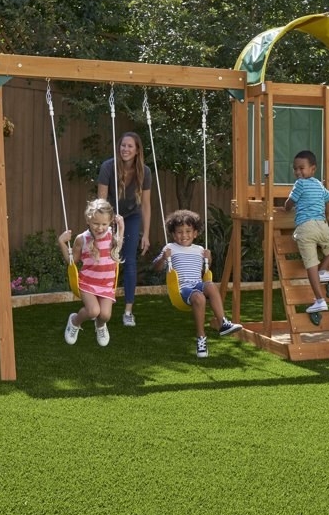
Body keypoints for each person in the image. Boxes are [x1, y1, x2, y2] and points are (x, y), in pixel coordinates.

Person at [153, 209, 243, 358]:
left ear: (195, 233)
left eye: (188, 231)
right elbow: (156, 268)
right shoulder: (170, 248)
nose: (184, 235)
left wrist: (209, 258)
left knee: (210, 285)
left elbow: (205, 269)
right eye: (180, 232)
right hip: (182, 289)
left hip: (198, 283)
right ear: (174, 234)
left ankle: (223, 322)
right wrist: (163, 258)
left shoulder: (200, 250)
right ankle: (201, 338)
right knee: (199, 297)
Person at [98, 131, 151, 328]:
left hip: (132, 216)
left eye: (130, 146)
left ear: (137, 151)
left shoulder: (144, 171)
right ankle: (101, 306)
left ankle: (128, 311)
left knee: (129, 261)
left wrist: (145, 233)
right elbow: (101, 201)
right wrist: (103, 227)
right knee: (107, 259)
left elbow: (145, 205)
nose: (125, 149)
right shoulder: (108, 167)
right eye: (123, 145)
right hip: (109, 215)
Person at [58, 199, 124, 347]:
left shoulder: (112, 235)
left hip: (106, 283)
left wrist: (122, 227)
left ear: (110, 222)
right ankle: (75, 321)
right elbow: (72, 261)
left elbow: (117, 248)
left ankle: (100, 326)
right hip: (87, 282)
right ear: (88, 219)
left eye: (104, 224)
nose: (100, 228)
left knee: (105, 315)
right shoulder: (82, 239)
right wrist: (62, 242)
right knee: (93, 311)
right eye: (96, 223)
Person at [284, 149, 329, 313]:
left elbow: (290, 203)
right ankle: (323, 270)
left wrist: (286, 207)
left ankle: (319, 299)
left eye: (301, 168)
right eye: (295, 169)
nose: (298, 172)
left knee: (311, 266)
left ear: (313, 169)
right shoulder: (318, 184)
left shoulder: (300, 184)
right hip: (322, 225)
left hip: (306, 228)